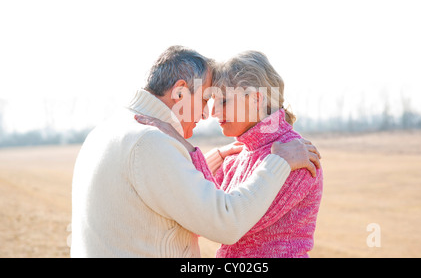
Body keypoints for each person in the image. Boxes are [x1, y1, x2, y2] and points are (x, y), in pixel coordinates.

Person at [71, 46, 321, 258]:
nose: (208, 113)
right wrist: (189, 151)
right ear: (180, 92)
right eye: (206, 100)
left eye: (222, 101)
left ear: (256, 100)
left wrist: (191, 154)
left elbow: (221, 219)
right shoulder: (149, 142)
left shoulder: (295, 154)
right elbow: (213, 217)